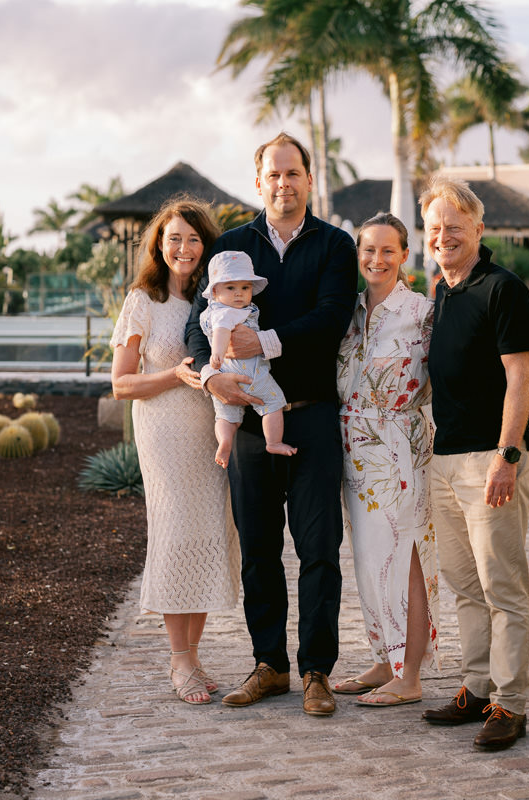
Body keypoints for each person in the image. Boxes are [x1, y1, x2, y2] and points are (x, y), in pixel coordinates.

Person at [185, 132, 357, 716]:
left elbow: (334, 316)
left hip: (311, 415)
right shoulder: (232, 246)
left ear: (310, 179)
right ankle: (270, 666)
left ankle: (316, 672)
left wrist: (266, 341)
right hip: (248, 425)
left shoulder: (335, 245)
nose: (283, 183)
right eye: (273, 174)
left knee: (319, 548)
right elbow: (195, 326)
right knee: (259, 549)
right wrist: (212, 380)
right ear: (259, 181)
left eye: (294, 173)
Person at [417, 176, 529, 751]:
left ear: (478, 229)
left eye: (454, 227)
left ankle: (509, 704)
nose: (444, 236)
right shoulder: (442, 291)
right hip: (445, 461)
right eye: (435, 227)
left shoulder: (503, 289)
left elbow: (520, 379)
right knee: (464, 586)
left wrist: (506, 456)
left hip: (492, 461)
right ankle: (475, 686)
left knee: (502, 587)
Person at [110, 196, 239, 705]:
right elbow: (120, 384)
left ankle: (195, 654)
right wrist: (175, 374)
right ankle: (178, 660)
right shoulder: (143, 299)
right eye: (174, 239)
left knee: (208, 532)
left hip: (211, 431)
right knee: (175, 533)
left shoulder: (216, 301)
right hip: (164, 434)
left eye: (193, 238)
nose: (184, 248)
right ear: (159, 246)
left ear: (205, 245)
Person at [334, 213, 440, 707]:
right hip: (352, 450)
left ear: (403, 255)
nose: (376, 260)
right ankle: (384, 659)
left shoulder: (422, 312)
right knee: (369, 560)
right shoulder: (349, 312)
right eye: (368, 250)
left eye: (387, 251)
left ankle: (410, 674)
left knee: (406, 559)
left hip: (400, 448)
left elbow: (453, 372)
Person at [199, 250, 295, 467]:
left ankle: (225, 441)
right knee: (273, 403)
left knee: (226, 416)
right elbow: (222, 331)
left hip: (225, 376)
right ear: (215, 291)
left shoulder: (212, 311)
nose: (239, 294)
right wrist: (217, 353)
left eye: (245, 288)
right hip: (252, 375)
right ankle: (274, 441)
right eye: (231, 288)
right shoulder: (229, 312)